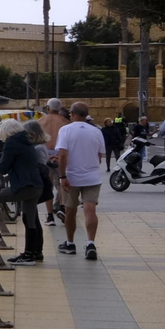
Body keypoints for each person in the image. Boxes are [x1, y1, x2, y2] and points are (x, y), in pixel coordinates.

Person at [0, 118, 44, 265]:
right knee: (30, 220)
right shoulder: (25, 141)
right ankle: (33, 253)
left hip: (23, 187)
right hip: (36, 186)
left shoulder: (12, 143)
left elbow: (3, 168)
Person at [56, 101, 106, 261]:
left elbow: (62, 155)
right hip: (92, 177)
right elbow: (99, 156)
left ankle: (70, 243)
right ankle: (91, 242)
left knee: (70, 210)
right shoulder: (96, 131)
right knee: (90, 210)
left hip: (71, 177)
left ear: (72, 114)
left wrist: (62, 176)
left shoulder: (65, 130)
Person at [39, 99, 68, 219]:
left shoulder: (39, 122)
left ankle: (50, 215)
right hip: (60, 153)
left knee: (48, 186)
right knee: (63, 182)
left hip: (45, 154)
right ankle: (62, 207)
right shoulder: (66, 122)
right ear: (60, 108)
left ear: (47, 108)